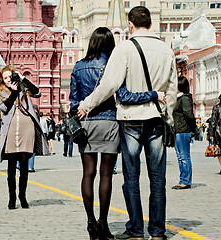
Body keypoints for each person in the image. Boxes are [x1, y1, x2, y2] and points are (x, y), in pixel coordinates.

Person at [77, 7, 177, 239]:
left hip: (131, 119)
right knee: (158, 178)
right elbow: (171, 89)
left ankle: (135, 230)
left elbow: (108, 85)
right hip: (156, 118)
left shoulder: (124, 48)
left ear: (130, 24)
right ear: (150, 24)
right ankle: (158, 231)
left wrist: (87, 104)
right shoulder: (165, 50)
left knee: (131, 177)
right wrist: (168, 116)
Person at [0, 65, 49, 210]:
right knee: (12, 166)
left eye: (10, 76)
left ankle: (23, 196)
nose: (8, 80)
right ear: (2, 79)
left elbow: (38, 93)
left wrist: (23, 79)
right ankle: (12, 198)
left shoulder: (23, 87)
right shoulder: (1, 91)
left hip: (27, 129)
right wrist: (13, 92)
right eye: (5, 78)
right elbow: (4, 108)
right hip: (11, 131)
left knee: (24, 165)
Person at [171, 76, 196, 190]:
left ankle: (185, 181)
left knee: (184, 157)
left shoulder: (184, 99)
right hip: (178, 130)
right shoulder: (179, 98)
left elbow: (189, 115)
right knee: (180, 157)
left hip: (183, 131)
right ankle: (182, 179)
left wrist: (193, 128)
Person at [209, 94, 221, 175]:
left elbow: (213, 122)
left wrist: (211, 134)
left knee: (219, 151)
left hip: (219, 132)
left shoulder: (216, 107)